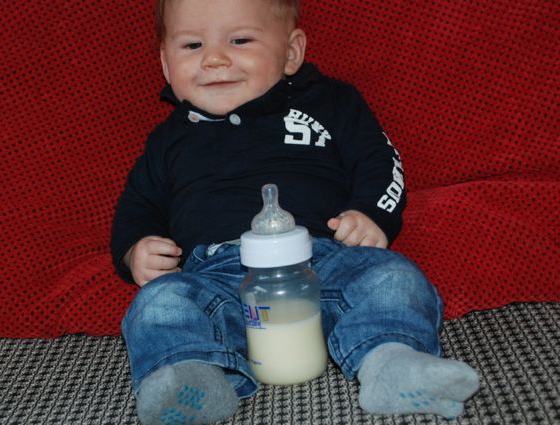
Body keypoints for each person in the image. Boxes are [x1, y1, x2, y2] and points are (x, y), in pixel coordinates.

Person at [111, 0, 480, 423]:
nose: (214, 59)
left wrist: (371, 213)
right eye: (192, 45)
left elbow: (379, 162)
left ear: (290, 53)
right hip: (218, 280)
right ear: (165, 64)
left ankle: (391, 362)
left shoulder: (330, 102)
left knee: (393, 276)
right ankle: (192, 378)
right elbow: (137, 205)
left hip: (326, 261)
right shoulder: (168, 141)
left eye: (240, 40)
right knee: (159, 303)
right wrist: (135, 249)